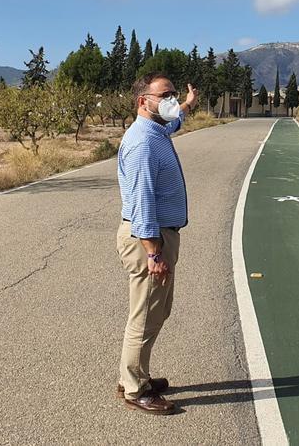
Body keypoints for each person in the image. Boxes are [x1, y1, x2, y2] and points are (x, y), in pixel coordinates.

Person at [115, 73, 198, 414]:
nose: (171, 100)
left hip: (160, 236)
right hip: (149, 239)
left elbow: (172, 122)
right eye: (165, 95)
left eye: (174, 94)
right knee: (146, 315)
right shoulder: (142, 144)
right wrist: (154, 252)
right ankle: (135, 388)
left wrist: (186, 107)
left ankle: (134, 375)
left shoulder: (157, 131)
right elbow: (142, 203)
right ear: (142, 101)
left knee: (155, 310)